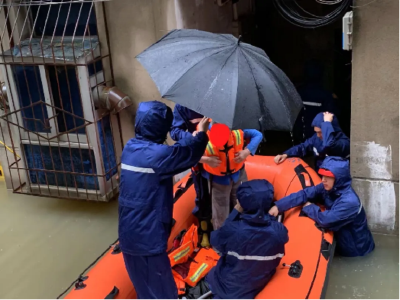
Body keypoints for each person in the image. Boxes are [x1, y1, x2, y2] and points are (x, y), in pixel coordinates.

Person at [118, 100, 210, 299]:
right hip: (148, 238)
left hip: (128, 234)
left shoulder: (130, 148)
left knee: (144, 289)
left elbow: (173, 152)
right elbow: (190, 154)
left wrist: (187, 138)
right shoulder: (158, 156)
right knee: (164, 292)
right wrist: (201, 133)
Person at [269, 157, 375, 257]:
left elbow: (326, 220)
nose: (323, 180)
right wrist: (279, 206)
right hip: (344, 241)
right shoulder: (327, 186)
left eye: (328, 177)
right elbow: (305, 193)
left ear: (339, 179)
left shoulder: (350, 201)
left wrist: (309, 207)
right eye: (322, 176)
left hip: (357, 251)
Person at [206, 179, 289, 299]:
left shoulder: (233, 230)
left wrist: (235, 212)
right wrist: (266, 215)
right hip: (257, 284)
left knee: (213, 274)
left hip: (226, 286)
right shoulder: (279, 231)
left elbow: (216, 241)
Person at [200, 122, 263, 230]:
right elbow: (187, 154)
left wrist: (246, 151)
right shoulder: (202, 133)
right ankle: (220, 242)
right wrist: (207, 160)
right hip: (218, 180)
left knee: (243, 203)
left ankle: (244, 231)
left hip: (238, 175)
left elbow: (258, 135)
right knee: (220, 212)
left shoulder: (237, 130)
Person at [274, 112, 350, 172]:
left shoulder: (344, 142)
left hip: (336, 184)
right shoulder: (316, 138)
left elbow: (329, 144)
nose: (318, 135)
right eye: (316, 132)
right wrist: (286, 154)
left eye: (320, 132)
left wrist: (327, 123)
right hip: (321, 179)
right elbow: (303, 147)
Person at [293, 60, 339, 141]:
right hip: (318, 134)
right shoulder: (326, 94)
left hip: (301, 134)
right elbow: (333, 114)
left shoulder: (298, 92)